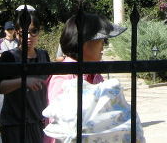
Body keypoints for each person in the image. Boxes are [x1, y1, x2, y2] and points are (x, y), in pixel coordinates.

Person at [44, 14, 125, 143]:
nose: (103, 44)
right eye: (101, 39)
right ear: (84, 43)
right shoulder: (63, 78)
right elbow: (63, 126)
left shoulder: (95, 75)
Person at [0, 11, 49, 143]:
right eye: (24, 32)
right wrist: (23, 81)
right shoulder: (9, 56)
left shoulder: (43, 55)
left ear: (38, 32)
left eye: (33, 31)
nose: (29, 36)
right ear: (17, 33)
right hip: (14, 123)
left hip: (38, 122)